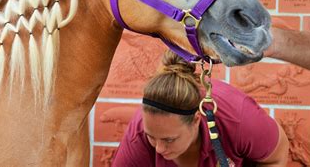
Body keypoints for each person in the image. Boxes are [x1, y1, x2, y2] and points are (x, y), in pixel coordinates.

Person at [111, 51, 289, 167]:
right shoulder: (139, 134)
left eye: (169, 139)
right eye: (151, 137)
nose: (159, 148)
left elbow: (276, 156)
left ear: (196, 120)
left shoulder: (239, 118)